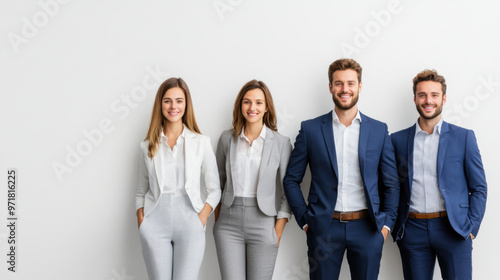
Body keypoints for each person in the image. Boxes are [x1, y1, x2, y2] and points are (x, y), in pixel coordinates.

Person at [283, 58, 400, 280]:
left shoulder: (378, 130)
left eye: (350, 83)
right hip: (324, 228)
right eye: (338, 83)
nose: (344, 89)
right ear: (330, 87)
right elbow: (291, 179)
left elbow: (391, 183)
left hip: (368, 229)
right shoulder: (311, 130)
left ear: (360, 86)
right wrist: (306, 222)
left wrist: (385, 226)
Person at [391, 69, 487, 280]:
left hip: (454, 228)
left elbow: (479, 187)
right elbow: (390, 186)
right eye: (422, 95)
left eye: (434, 95)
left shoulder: (463, 138)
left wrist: (471, 226)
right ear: (415, 98)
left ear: (443, 98)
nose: (428, 100)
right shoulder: (396, 141)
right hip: (412, 230)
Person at [135, 77, 221, 280]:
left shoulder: (201, 142)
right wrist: (142, 221)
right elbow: (141, 190)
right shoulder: (147, 145)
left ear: (186, 104)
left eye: (179, 100)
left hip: (190, 224)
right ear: (160, 104)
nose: (173, 106)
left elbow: (215, 189)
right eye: (167, 100)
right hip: (154, 224)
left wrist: (201, 218)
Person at [213, 80, 292, 280]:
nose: (252, 107)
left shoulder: (281, 143)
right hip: (228, 223)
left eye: (258, 102)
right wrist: (218, 219)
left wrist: (277, 231)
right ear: (240, 105)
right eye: (247, 102)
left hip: (264, 223)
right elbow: (217, 183)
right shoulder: (226, 139)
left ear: (266, 107)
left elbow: (286, 191)